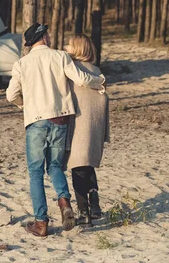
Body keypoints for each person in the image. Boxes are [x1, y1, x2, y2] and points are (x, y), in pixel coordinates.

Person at [6, 23, 106, 237]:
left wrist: (24, 104)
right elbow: (81, 79)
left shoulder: (21, 64)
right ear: (44, 38)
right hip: (60, 119)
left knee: (35, 172)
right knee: (55, 167)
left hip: (36, 120)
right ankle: (64, 202)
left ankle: (41, 223)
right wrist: (100, 81)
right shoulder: (61, 56)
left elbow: (11, 95)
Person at [64, 34, 110, 227]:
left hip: (78, 126)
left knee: (77, 169)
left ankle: (84, 211)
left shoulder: (73, 71)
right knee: (88, 166)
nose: (65, 47)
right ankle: (95, 201)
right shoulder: (97, 71)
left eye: (69, 44)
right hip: (95, 126)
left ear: (77, 48)